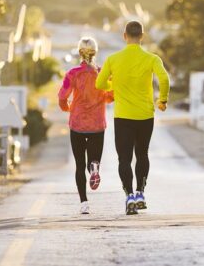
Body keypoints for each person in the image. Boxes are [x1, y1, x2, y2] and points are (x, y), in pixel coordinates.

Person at [96, 20, 170, 215]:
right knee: (142, 154)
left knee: (124, 159)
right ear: (142, 37)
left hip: (123, 117)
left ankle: (129, 196)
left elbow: (100, 83)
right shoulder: (152, 59)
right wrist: (162, 100)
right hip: (145, 115)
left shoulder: (113, 59)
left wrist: (115, 86)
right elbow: (164, 79)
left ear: (124, 36)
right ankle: (140, 193)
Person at [58, 37, 113, 214]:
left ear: (79, 52)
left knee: (79, 165)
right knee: (93, 160)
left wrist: (68, 108)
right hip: (97, 123)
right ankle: (95, 167)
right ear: (95, 52)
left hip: (77, 124)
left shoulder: (72, 73)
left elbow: (62, 96)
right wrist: (102, 98)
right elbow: (112, 95)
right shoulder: (102, 73)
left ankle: (84, 203)